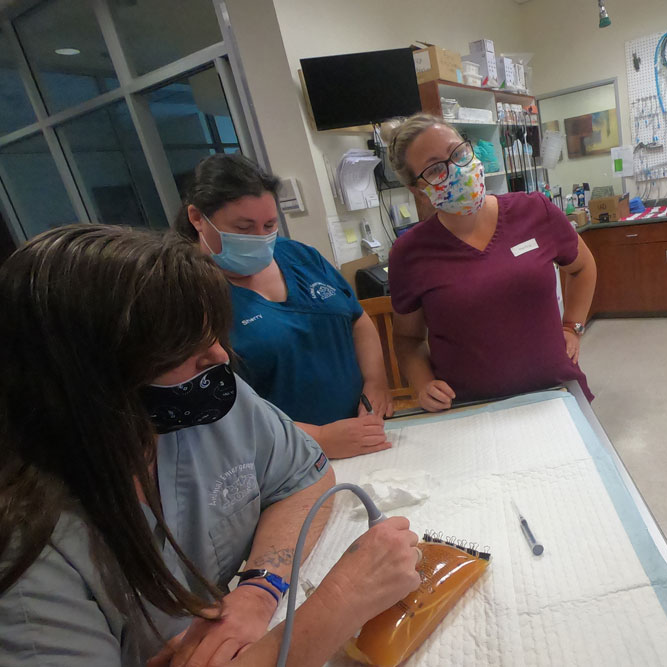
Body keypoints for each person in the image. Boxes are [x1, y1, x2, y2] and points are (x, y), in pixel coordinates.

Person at [0, 225, 421, 666]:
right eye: (182, 346)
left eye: (213, 333)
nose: (218, 357)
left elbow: (303, 477)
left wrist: (260, 588)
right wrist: (339, 604)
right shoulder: (29, 546)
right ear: (86, 379)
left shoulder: (204, 401)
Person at [173, 154, 392, 459]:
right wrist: (319, 438)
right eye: (244, 228)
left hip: (363, 431)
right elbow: (217, 411)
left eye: (269, 225)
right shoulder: (188, 297)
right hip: (282, 458)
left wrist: (376, 383)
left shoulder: (300, 257)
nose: (261, 239)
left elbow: (357, 319)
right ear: (197, 218)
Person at [384, 114, 598, 412]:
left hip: (556, 393)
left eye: (458, 153)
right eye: (435, 169)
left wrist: (572, 327)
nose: (456, 170)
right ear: (417, 190)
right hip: (472, 409)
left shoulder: (535, 211)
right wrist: (423, 384)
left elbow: (583, 268)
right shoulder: (409, 254)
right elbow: (408, 339)